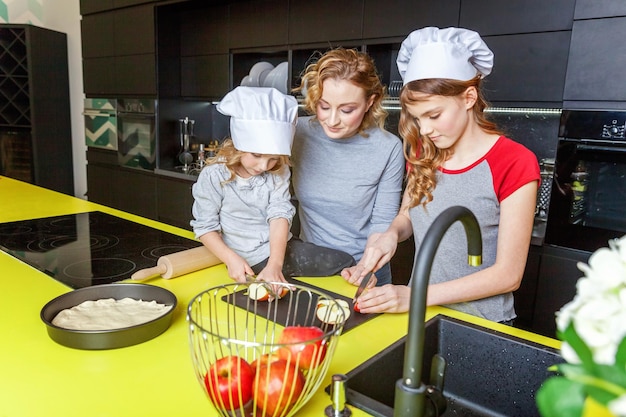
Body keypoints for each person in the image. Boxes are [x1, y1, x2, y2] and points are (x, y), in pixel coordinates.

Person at [346, 27, 540, 324]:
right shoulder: (426, 152)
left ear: (469, 97)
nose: (424, 130)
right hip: (420, 315)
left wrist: (416, 295)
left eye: (434, 115)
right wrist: (390, 236)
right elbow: (408, 216)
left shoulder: (514, 162)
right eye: (418, 118)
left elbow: (508, 275)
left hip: (483, 323)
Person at [191, 86, 355, 284]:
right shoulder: (214, 176)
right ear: (238, 144)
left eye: (273, 158)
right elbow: (205, 227)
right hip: (246, 257)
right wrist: (230, 259)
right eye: (257, 155)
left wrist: (275, 265)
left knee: (346, 261)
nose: (263, 166)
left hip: (277, 250)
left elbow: (279, 215)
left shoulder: (278, 170)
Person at [291, 48, 406, 286]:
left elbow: (382, 222)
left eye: (346, 110)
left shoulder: (388, 148)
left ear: (369, 103)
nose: (332, 120)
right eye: (324, 106)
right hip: (311, 268)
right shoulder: (296, 133)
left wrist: (365, 267)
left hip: (364, 272)